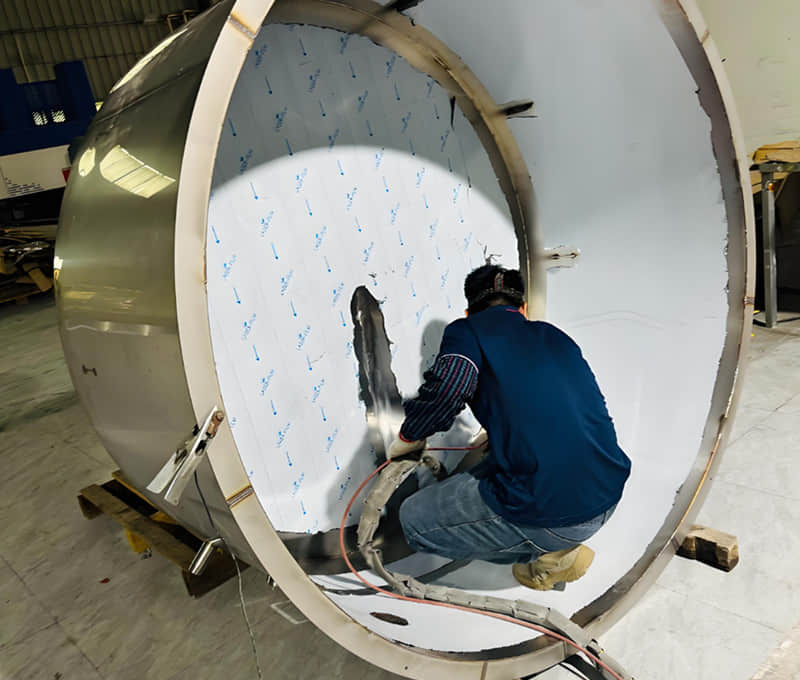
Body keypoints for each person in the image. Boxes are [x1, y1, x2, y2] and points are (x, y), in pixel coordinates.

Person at [387, 264, 631, 591]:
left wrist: (409, 436)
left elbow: (449, 388)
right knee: (492, 452)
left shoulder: (467, 330)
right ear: (524, 309)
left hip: (558, 510)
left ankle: (549, 554)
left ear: (468, 311)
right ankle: (557, 540)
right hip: (610, 489)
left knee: (412, 520)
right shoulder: (556, 336)